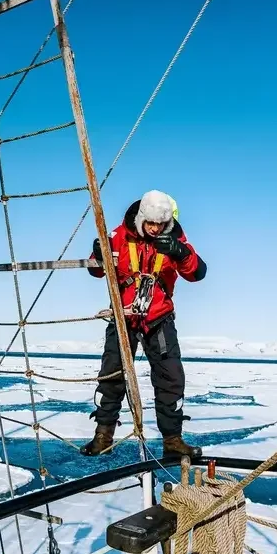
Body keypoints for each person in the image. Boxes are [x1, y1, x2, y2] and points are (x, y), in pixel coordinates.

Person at [83, 190, 207, 458]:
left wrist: (181, 252)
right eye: (151, 223)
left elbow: (198, 273)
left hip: (158, 317)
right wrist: (99, 255)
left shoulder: (176, 239)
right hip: (123, 315)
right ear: (141, 218)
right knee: (111, 375)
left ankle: (173, 441)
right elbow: (95, 270)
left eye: (160, 224)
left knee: (170, 378)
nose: (154, 228)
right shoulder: (118, 236)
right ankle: (103, 437)